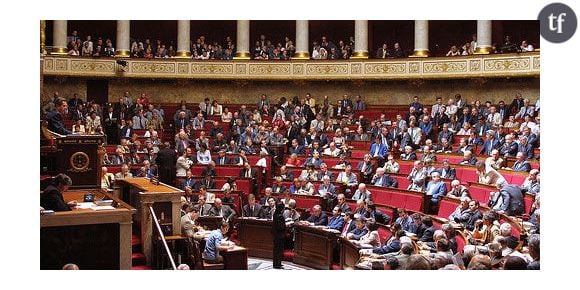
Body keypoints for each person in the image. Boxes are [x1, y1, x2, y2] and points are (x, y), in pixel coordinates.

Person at [272, 201, 286, 269]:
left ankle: (277, 263)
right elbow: (281, 227)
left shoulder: (275, 213)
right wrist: (287, 225)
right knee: (279, 250)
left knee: (276, 250)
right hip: (279, 235)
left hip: (275, 235)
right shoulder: (280, 216)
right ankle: (277, 264)